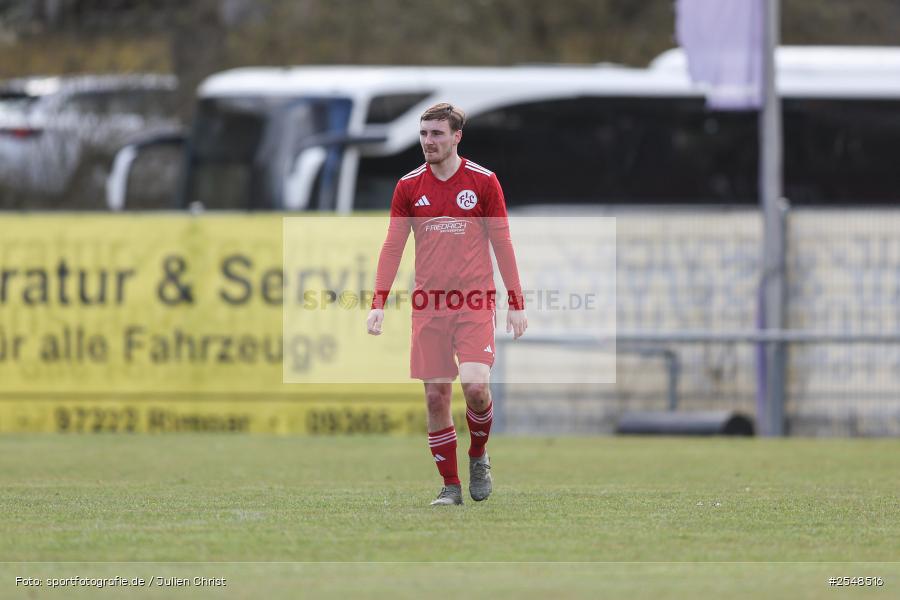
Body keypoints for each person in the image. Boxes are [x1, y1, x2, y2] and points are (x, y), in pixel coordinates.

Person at [367, 102, 527, 506]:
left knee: (475, 388)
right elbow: (392, 246)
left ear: (457, 137)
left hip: (473, 302)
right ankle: (450, 486)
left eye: (436, 134)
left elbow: (502, 243)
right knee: (436, 397)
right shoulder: (408, 187)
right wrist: (378, 302)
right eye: (423, 134)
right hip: (429, 305)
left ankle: (478, 455)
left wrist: (516, 301)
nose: (428, 141)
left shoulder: (484, 182)